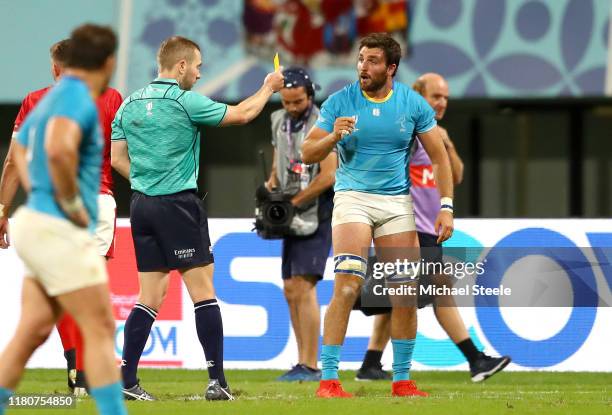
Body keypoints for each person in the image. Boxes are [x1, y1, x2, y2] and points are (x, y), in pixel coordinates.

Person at [111, 35, 284, 401]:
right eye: (199, 67)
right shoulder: (184, 100)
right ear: (181, 66)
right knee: (203, 294)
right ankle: (216, 382)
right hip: (178, 205)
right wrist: (268, 86)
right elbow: (242, 114)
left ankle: (126, 382)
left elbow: (116, 159)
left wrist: (146, 182)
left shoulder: (128, 104)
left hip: (142, 206)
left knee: (150, 296)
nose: (201, 75)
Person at [301, 33, 455, 398]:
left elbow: (440, 157)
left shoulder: (412, 104)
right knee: (348, 285)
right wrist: (332, 137)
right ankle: (329, 380)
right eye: (360, 58)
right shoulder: (340, 101)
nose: (362, 66)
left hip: (397, 205)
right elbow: (308, 152)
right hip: (353, 199)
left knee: (404, 293)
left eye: (371, 60)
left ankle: (401, 381)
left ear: (391, 68)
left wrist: (446, 206)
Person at [0, 24, 127, 415]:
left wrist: (7, 207)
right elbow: (58, 150)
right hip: (63, 221)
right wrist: (72, 205)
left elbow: (16, 156)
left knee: (32, 330)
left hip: (34, 218)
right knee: (100, 327)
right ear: (107, 62)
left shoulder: (43, 100)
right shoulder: (80, 98)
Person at [356, 73, 511, 383]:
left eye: (445, 97)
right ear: (418, 97)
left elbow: (457, 175)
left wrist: (447, 144)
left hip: (426, 228)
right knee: (439, 291)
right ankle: (475, 359)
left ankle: (370, 364)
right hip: (409, 228)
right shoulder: (409, 132)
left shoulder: (435, 134)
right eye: (435, 96)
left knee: (400, 296)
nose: (442, 103)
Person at [264, 67, 336, 382]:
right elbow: (279, 160)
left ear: (310, 95)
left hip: (316, 211)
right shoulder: (277, 120)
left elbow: (329, 175)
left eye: (297, 102)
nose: (292, 107)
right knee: (290, 288)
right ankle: (301, 361)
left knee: (304, 285)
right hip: (288, 211)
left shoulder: (323, 123)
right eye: (287, 102)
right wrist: (271, 188)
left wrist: (294, 203)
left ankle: (310, 364)